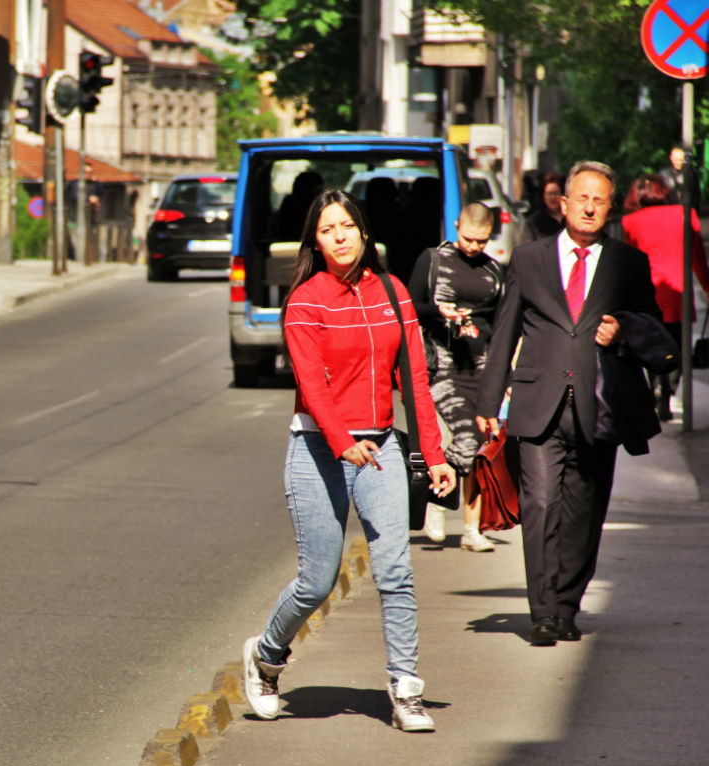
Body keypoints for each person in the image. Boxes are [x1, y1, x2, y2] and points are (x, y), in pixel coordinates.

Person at [241, 189, 457, 733]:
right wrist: (340, 442)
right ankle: (266, 656)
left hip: (381, 446)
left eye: (347, 226)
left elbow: (414, 380)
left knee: (397, 572)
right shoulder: (306, 301)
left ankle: (406, 690)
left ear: (364, 232)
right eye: (326, 229)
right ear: (315, 241)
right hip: (318, 447)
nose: (338, 236)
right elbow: (311, 386)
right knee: (317, 580)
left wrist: (435, 454)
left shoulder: (393, 292)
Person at [477, 161, 661, 646]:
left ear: (610, 208)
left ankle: (565, 606)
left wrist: (623, 330)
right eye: (581, 197)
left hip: (599, 407)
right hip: (538, 402)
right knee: (539, 503)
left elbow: (654, 329)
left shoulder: (627, 263)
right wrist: (488, 398)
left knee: (584, 510)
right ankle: (541, 610)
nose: (588, 207)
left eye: (599, 200)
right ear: (563, 203)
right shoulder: (528, 258)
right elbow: (505, 331)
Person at [408, 203, 505, 551]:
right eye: (468, 238)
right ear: (456, 227)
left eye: (482, 240)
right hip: (443, 363)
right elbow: (408, 306)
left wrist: (503, 375)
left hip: (481, 364)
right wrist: (438, 311)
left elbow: (500, 325)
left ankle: (471, 529)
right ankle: (437, 497)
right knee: (465, 436)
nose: (475, 246)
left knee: (480, 444)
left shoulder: (495, 271)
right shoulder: (433, 260)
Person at [622, 174, 709, 420]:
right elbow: (698, 256)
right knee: (677, 347)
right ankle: (667, 392)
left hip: (646, 296)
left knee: (650, 346)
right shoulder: (685, 214)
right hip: (676, 294)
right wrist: (706, 287)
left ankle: (654, 388)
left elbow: (629, 263)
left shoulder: (630, 222)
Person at [519, 171, 566, 244]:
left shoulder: (571, 219)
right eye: (549, 194)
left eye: (556, 193)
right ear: (543, 196)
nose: (553, 198)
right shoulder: (533, 223)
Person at [659, 144, 699, 210]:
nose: (677, 162)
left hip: (686, 212)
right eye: (675, 159)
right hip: (668, 211)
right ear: (671, 157)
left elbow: (696, 195)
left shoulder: (690, 174)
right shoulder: (663, 175)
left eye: (680, 159)